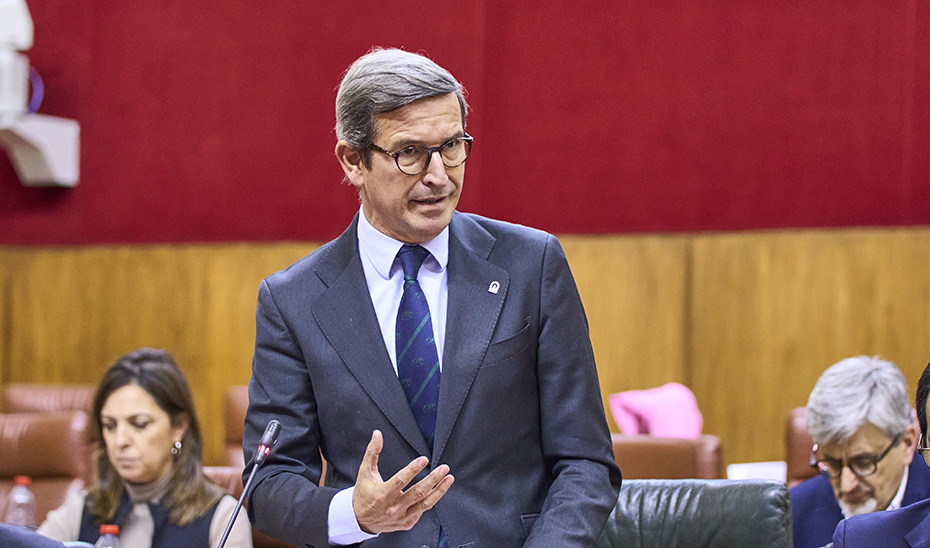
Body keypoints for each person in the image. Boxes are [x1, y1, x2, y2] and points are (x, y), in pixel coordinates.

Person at [242, 47, 622, 548]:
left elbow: (586, 461)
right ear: (353, 160)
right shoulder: (294, 301)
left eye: (451, 146)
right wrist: (353, 513)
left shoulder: (531, 265)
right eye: (410, 153)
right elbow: (267, 484)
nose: (439, 175)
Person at [37, 348, 253, 548]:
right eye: (109, 426)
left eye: (139, 424)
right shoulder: (84, 508)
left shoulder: (223, 517)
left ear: (179, 426)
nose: (120, 440)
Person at [790, 356, 930, 548]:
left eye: (863, 463)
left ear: (907, 443)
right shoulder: (794, 514)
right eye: (832, 464)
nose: (847, 486)